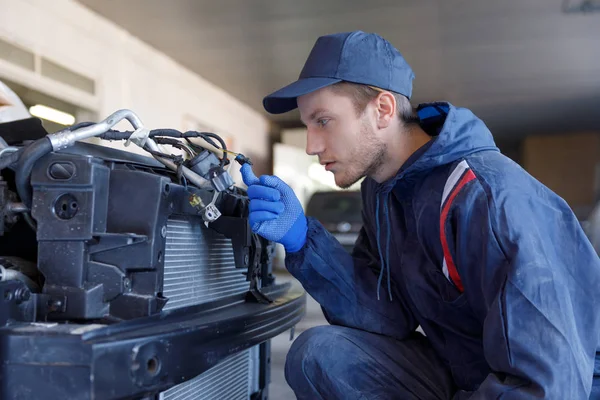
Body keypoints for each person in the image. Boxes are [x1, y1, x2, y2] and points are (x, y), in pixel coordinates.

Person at [240, 30, 600, 399]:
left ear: (383, 109)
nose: (312, 145)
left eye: (323, 121)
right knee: (319, 354)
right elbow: (387, 316)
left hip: (561, 385)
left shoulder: (486, 198)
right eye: (307, 125)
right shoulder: (383, 191)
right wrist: (303, 240)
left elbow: (547, 381)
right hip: (468, 373)